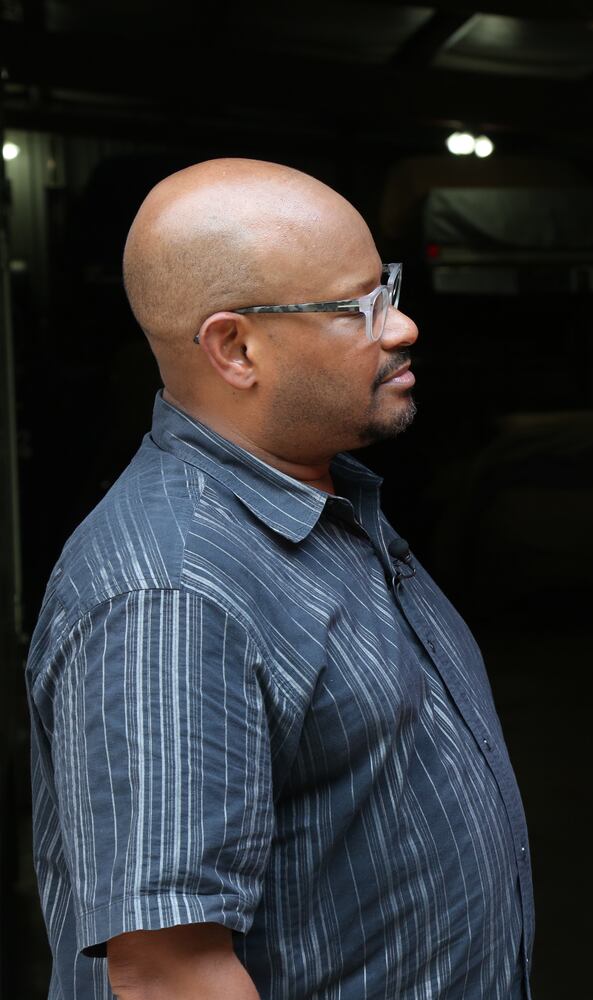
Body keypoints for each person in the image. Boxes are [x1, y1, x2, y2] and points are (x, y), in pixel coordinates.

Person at [26, 159, 533, 1000]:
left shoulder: (323, 502)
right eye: (358, 307)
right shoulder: (171, 596)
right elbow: (169, 976)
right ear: (235, 348)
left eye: (389, 289)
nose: (401, 327)